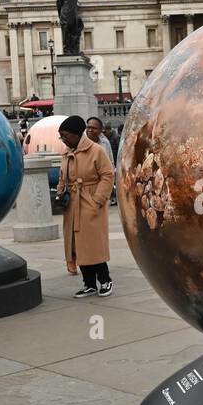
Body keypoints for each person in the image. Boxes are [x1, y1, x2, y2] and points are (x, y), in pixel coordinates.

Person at [56, 115, 114, 297]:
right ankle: (89, 283)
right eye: (61, 136)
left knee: (93, 245)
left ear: (76, 134)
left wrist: (98, 200)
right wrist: (60, 191)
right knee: (77, 246)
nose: (63, 139)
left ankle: (105, 280)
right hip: (72, 204)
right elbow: (62, 176)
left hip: (90, 202)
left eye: (65, 135)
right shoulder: (66, 152)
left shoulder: (96, 150)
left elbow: (107, 175)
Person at [86, 116, 117, 206]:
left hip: (102, 184)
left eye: (94, 128)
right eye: (88, 127)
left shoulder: (105, 143)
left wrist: (111, 183)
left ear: (100, 130)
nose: (90, 130)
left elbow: (110, 162)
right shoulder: (80, 143)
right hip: (86, 186)